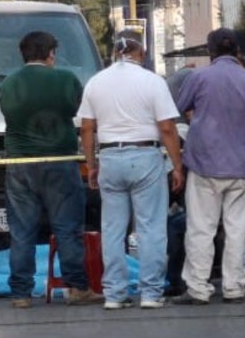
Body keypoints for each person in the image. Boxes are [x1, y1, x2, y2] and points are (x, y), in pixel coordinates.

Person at [78, 31, 185, 310]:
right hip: (145, 155)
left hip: (110, 157)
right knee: (151, 227)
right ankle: (150, 292)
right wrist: (176, 165)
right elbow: (167, 128)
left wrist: (92, 165)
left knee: (112, 229)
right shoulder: (152, 82)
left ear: (114, 52)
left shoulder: (95, 82)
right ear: (143, 51)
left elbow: (87, 128)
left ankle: (114, 293)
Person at [0, 31, 102, 308]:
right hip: (60, 162)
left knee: (22, 231)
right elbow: (76, 110)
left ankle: (20, 293)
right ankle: (77, 288)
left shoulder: (9, 83)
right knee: (67, 228)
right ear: (50, 53)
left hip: (20, 164)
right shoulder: (66, 79)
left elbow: (7, 113)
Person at [173, 28, 245, 306]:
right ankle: (234, 287)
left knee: (201, 228)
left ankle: (198, 288)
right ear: (237, 50)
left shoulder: (199, 77)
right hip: (242, 165)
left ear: (210, 50)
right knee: (237, 229)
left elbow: (179, 105)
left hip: (204, 164)